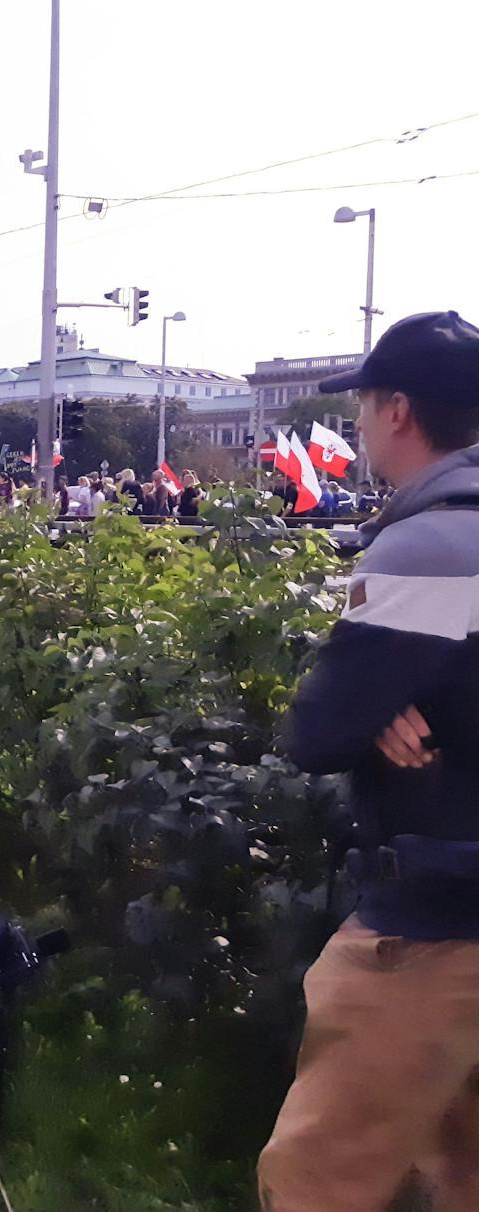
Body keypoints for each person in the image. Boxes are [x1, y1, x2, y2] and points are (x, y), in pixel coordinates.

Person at [258, 312, 479, 1212]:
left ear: (396, 410)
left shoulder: (434, 545)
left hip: (434, 923)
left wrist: (382, 709)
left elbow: (319, 728)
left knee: (319, 1178)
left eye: (362, 406)